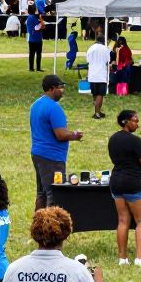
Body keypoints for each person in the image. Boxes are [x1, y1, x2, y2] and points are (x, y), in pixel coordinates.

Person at [109, 110, 141, 268]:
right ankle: (140, 258)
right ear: (125, 122)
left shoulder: (113, 139)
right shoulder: (135, 141)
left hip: (115, 181)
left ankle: (122, 259)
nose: (137, 123)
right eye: (135, 121)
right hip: (132, 182)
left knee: (122, 220)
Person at [29, 75, 83, 210]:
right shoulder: (54, 107)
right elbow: (60, 134)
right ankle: (49, 228)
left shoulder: (36, 104)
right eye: (60, 88)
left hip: (38, 153)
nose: (62, 91)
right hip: (51, 157)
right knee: (54, 193)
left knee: (41, 193)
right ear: (52, 89)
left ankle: (38, 226)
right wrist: (75, 135)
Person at [86, 35, 110, 120]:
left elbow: (87, 60)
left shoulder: (91, 48)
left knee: (94, 93)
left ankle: (97, 111)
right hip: (101, 74)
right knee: (100, 94)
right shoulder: (105, 49)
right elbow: (107, 60)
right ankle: (97, 113)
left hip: (92, 74)